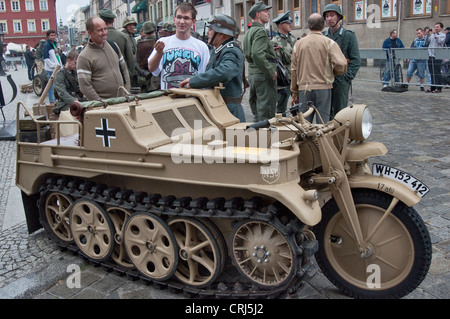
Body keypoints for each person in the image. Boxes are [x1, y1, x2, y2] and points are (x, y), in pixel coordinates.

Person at [179, 14, 246, 122]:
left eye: (211, 29)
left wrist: (194, 81)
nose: (208, 33)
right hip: (220, 108)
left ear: (221, 34)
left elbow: (224, 72)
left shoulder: (231, 51)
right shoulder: (220, 50)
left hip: (229, 112)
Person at [290, 13, 347, 124]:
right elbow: (342, 64)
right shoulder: (329, 43)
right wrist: (334, 72)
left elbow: (293, 70)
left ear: (308, 25)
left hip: (304, 89)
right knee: (322, 124)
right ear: (323, 25)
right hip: (323, 88)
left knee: (305, 125)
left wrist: (294, 91)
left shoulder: (298, 44)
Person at [148, 2, 210, 90]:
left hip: (193, 99)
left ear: (193, 21)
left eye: (186, 18)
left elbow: (205, 76)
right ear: (174, 19)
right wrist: (159, 53)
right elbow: (152, 69)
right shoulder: (163, 42)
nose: (182, 21)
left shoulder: (202, 47)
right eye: (179, 17)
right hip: (169, 99)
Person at [78, 17, 131, 100]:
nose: (104, 33)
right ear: (90, 33)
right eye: (100, 30)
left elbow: (125, 71)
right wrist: (100, 102)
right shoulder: (84, 57)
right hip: (104, 107)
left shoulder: (114, 46)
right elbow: (85, 86)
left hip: (122, 101)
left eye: (105, 29)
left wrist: (127, 93)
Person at [323, 4, 360, 118]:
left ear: (339, 17)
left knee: (340, 113)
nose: (329, 18)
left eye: (332, 15)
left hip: (341, 80)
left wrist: (347, 78)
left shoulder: (348, 35)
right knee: (326, 112)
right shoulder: (324, 36)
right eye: (327, 16)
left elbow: (355, 59)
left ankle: (339, 135)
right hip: (326, 80)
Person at [243, 1, 277, 122]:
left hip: (254, 74)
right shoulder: (260, 31)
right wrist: (270, 71)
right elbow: (257, 54)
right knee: (266, 114)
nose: (268, 13)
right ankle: (266, 140)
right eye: (265, 11)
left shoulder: (249, 32)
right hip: (263, 76)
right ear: (258, 14)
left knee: (258, 113)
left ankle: (257, 139)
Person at [99, 9, 136, 88]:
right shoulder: (124, 36)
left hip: (103, 80)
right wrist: (129, 77)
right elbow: (130, 61)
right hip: (122, 77)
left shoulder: (97, 38)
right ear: (113, 20)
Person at [271, 11, 296, 114]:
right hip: (284, 79)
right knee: (281, 108)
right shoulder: (274, 41)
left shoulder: (293, 38)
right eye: (288, 22)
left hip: (295, 77)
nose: (290, 24)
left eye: (290, 22)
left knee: (297, 106)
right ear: (281, 25)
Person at [53, 50, 86, 114]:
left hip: (78, 99)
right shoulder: (60, 74)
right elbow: (62, 93)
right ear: (68, 60)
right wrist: (74, 101)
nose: (77, 65)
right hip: (64, 103)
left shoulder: (75, 73)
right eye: (75, 63)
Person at [136, 21, 160, 93]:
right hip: (156, 78)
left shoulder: (139, 44)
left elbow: (136, 63)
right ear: (154, 30)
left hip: (144, 78)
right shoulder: (158, 43)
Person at [43, 29, 62, 103]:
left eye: (54, 35)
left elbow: (57, 56)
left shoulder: (54, 44)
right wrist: (54, 65)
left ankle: (55, 100)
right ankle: (52, 102)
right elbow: (46, 59)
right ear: (48, 36)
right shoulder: (46, 45)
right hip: (51, 70)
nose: (53, 37)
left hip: (56, 68)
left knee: (56, 86)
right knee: (51, 87)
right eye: (51, 35)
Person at [426, 22, 446, 93]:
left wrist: (435, 34)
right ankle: (432, 87)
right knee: (431, 72)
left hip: (437, 55)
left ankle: (439, 87)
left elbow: (440, 41)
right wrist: (428, 34)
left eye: (437, 27)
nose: (436, 28)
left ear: (441, 28)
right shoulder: (432, 35)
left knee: (437, 72)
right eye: (435, 27)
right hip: (430, 55)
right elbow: (427, 41)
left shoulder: (443, 35)